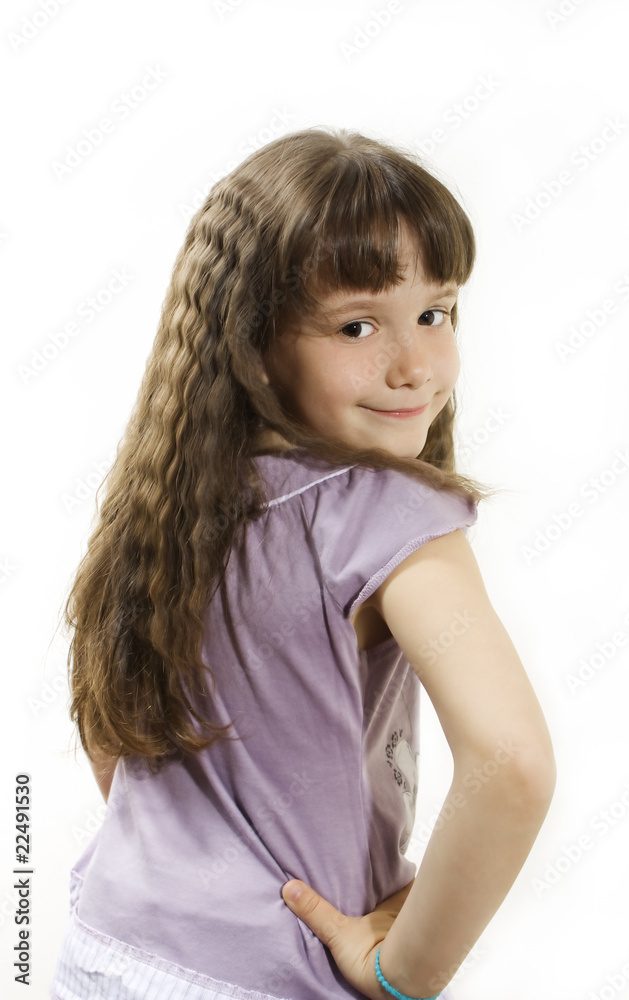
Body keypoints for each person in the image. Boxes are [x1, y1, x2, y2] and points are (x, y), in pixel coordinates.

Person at [49, 126, 557, 1000]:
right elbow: (509, 761)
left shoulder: (171, 496)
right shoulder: (385, 512)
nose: (414, 365)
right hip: (269, 975)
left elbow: (109, 727)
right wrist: (402, 973)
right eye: (357, 324)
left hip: (106, 948)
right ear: (255, 343)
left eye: (435, 312)